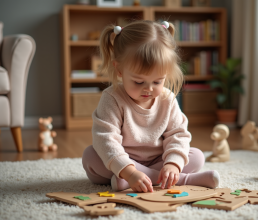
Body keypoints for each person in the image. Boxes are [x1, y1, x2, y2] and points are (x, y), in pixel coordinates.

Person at [82, 20, 220, 193]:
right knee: (91, 156)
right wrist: (130, 172)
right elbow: (106, 139)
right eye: (139, 81)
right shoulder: (112, 98)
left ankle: (129, 181)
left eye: (157, 81)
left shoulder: (167, 99)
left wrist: (172, 165)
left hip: (158, 159)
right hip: (122, 163)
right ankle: (185, 180)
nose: (148, 88)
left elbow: (178, 134)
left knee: (197, 156)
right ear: (119, 69)